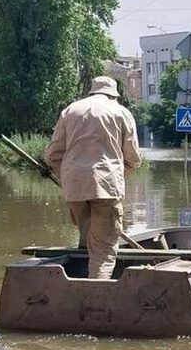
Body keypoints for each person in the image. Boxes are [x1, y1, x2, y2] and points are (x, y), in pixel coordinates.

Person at [46, 76, 142, 279]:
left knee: (86, 242)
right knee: (103, 253)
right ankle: (95, 303)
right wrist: (117, 178)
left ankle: (78, 289)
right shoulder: (121, 112)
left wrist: (68, 179)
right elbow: (133, 159)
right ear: (113, 95)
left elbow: (53, 154)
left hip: (74, 189)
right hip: (106, 186)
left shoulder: (71, 110)